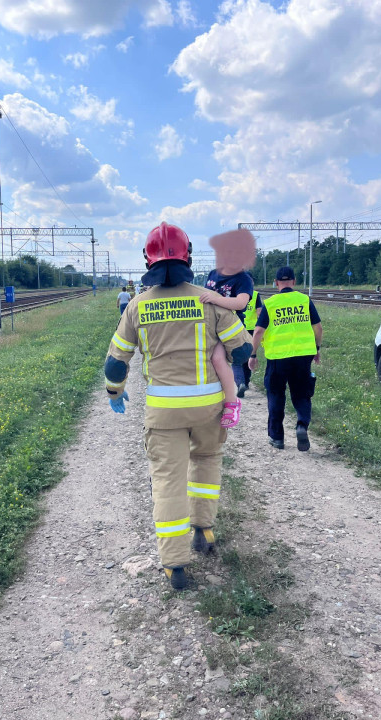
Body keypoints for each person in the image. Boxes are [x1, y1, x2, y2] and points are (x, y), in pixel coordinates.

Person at [104, 222, 252, 590]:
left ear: (147, 260)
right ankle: (205, 530)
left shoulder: (137, 305)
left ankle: (175, 565)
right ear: (187, 255)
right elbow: (244, 349)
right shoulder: (209, 299)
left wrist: (114, 392)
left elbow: (116, 362)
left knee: (168, 481)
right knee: (206, 462)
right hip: (209, 408)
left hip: (164, 412)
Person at [248, 266, 322, 452]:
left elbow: (258, 331)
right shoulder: (304, 300)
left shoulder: (271, 303)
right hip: (303, 356)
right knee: (302, 394)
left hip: (277, 359)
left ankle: (277, 437)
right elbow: (318, 328)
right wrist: (316, 349)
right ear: (294, 282)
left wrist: (253, 354)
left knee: (276, 395)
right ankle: (301, 426)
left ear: (276, 283)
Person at [199, 230, 256, 425]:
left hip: (227, 329)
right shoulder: (213, 273)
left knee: (217, 358)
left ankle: (232, 403)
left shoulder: (244, 279)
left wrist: (217, 299)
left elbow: (241, 303)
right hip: (208, 325)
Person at [237, 278, 263, 398]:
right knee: (249, 355)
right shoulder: (256, 295)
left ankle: (240, 382)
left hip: (238, 327)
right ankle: (246, 382)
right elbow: (259, 312)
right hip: (251, 330)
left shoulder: (236, 293)